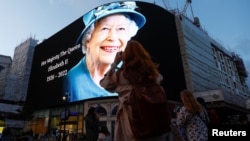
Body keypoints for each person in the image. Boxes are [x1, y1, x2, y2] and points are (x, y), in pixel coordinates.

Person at [63, 1, 146, 102]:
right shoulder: (73, 80)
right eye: (105, 28)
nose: (113, 37)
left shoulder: (134, 73)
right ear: (87, 39)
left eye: (121, 28)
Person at [100, 40, 170, 141]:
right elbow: (159, 79)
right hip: (157, 126)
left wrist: (115, 64)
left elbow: (104, 83)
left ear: (125, 56)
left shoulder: (122, 76)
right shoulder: (153, 75)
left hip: (134, 127)